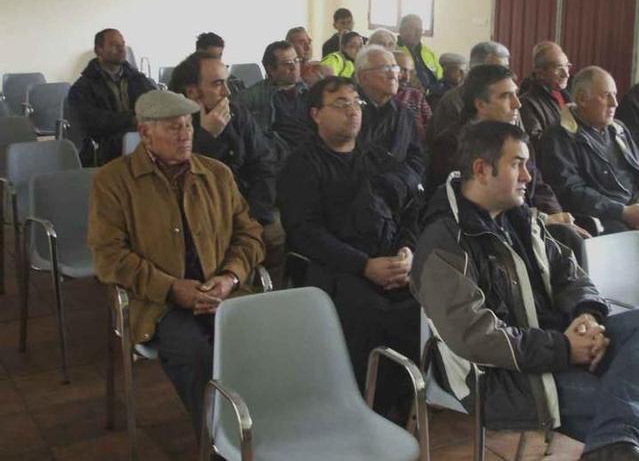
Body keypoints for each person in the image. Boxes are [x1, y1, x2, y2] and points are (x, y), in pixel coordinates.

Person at [412, 121, 639, 461]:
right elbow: (475, 336)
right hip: (499, 375)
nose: (528, 177)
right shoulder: (444, 242)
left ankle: (611, 448)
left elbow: (570, 274)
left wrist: (586, 317)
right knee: (625, 409)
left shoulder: (522, 219)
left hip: (553, 344)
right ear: (481, 169)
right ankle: (613, 447)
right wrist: (565, 349)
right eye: (517, 164)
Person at [88, 90, 264, 433]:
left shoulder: (216, 174)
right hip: (158, 303)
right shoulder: (112, 182)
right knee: (196, 355)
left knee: (261, 342)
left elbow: (250, 235)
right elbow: (109, 257)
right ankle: (219, 440)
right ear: (145, 133)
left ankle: (265, 428)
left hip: (222, 292)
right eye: (173, 128)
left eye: (188, 125)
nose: (185, 134)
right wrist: (171, 288)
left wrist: (229, 276)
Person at [278, 76, 421, 421]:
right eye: (340, 104)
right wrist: (364, 265)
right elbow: (304, 232)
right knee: (371, 311)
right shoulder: (302, 164)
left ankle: (405, 404)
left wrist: (406, 251)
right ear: (316, 114)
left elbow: (411, 207)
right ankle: (364, 408)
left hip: (390, 261)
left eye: (356, 103)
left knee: (422, 305)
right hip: (338, 266)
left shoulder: (377, 158)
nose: (352, 111)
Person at [539, 66, 639, 292]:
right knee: (633, 266)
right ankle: (633, 309)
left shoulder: (619, 130)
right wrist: (622, 211)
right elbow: (571, 191)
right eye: (607, 96)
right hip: (602, 219)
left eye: (615, 95)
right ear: (582, 99)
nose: (615, 103)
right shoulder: (559, 137)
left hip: (638, 212)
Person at [429, 64, 591, 263]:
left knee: (571, 237)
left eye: (516, 94)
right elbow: (480, 205)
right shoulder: (451, 145)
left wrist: (557, 215)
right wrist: (541, 219)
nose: (518, 104)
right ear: (480, 105)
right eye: (506, 96)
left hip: (527, 221)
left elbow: (539, 187)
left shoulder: (516, 139)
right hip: (489, 233)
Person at [169, 51, 283, 284]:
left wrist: (257, 216)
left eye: (227, 82)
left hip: (247, 208)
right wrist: (207, 137)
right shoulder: (172, 124)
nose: (228, 92)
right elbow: (180, 184)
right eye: (218, 84)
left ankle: (265, 300)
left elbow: (264, 163)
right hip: (196, 218)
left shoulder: (237, 112)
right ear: (192, 92)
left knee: (278, 235)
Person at [67, 28, 156, 164]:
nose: (122, 49)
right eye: (115, 45)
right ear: (99, 50)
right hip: (104, 146)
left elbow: (155, 101)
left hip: (140, 137)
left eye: (123, 44)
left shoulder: (137, 78)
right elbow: (94, 122)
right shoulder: (82, 88)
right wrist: (131, 119)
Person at [355, 46, 426, 190]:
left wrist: (405, 182)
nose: (394, 75)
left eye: (395, 68)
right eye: (385, 69)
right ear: (363, 77)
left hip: (399, 194)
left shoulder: (403, 113)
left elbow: (416, 156)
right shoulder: (350, 111)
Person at [429, 41, 510, 142]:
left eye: (506, 68)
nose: (505, 74)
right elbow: (448, 147)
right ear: (476, 69)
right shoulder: (452, 101)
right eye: (498, 70)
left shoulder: (510, 99)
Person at [233, 40, 303, 133]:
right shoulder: (252, 97)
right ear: (271, 69)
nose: (294, 67)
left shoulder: (310, 91)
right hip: (275, 145)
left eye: (296, 60)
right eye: (287, 63)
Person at [519, 41, 572, 141]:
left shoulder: (567, 95)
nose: (566, 74)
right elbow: (536, 141)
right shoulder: (527, 103)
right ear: (540, 72)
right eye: (559, 68)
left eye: (567, 66)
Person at [397, 14, 443, 93]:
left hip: (433, 94)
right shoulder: (395, 53)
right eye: (414, 29)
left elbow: (440, 76)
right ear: (402, 31)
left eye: (420, 30)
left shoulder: (428, 52)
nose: (418, 33)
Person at [392, 50, 432, 141]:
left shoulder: (416, 96)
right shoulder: (380, 96)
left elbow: (431, 127)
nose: (407, 77)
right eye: (402, 70)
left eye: (411, 72)